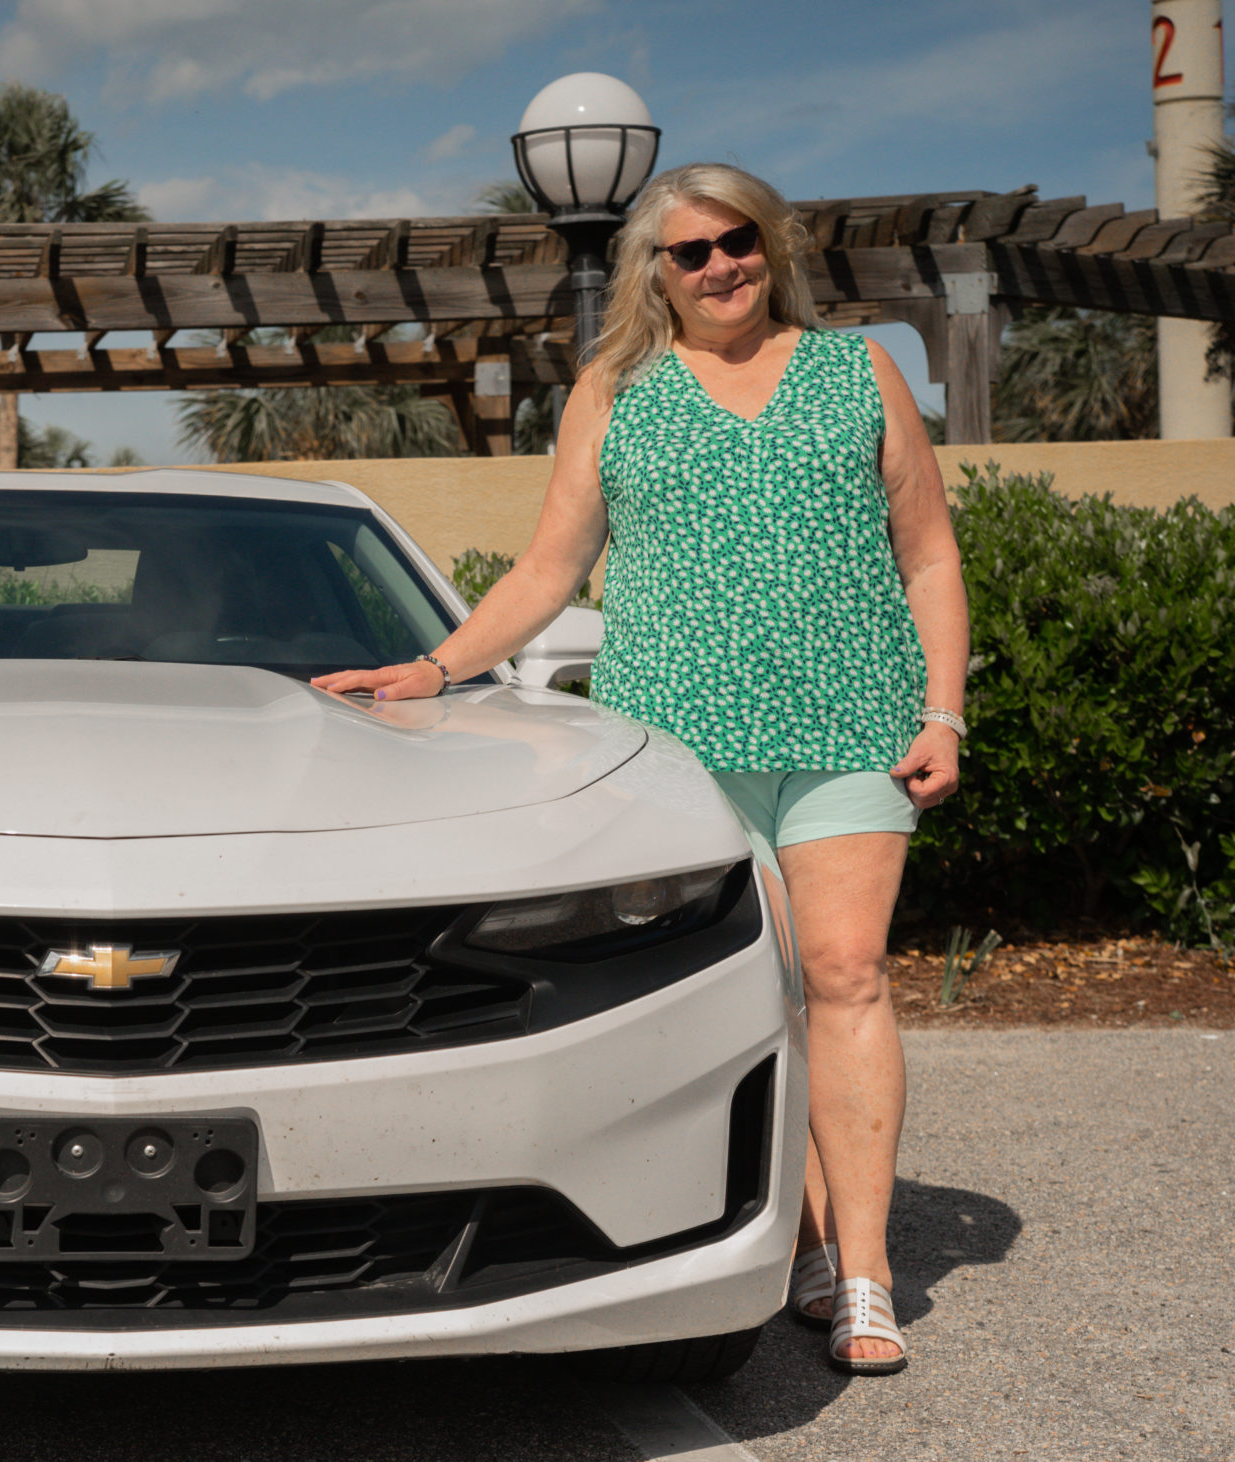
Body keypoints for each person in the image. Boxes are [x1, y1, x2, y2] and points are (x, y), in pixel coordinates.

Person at [312, 162, 968, 1375]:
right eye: (691, 251)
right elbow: (548, 567)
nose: (721, 266)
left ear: (771, 246)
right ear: (654, 272)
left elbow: (927, 553)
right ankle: (801, 1240)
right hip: (676, 747)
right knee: (763, 992)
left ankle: (864, 1273)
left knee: (845, 973)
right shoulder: (615, 391)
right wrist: (432, 667)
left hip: (850, 724)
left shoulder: (856, 371)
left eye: (738, 240)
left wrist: (943, 712)